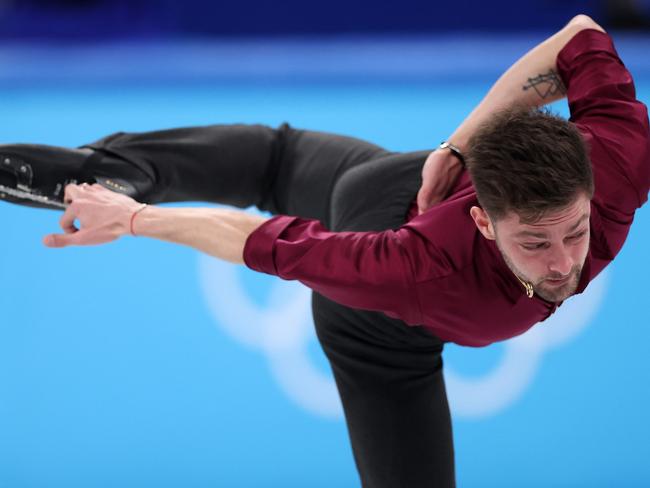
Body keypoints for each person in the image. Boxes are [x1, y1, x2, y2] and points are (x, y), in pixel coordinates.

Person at [1, 14, 648, 488]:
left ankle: (126, 167)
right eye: (534, 243)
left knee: (272, 161)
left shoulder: (619, 157)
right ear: (483, 222)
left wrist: (454, 148)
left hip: (400, 179)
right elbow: (256, 243)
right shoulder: (418, 270)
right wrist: (136, 219)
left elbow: (580, 38)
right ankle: (116, 178)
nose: (563, 262)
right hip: (379, 331)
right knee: (252, 173)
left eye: (573, 231)